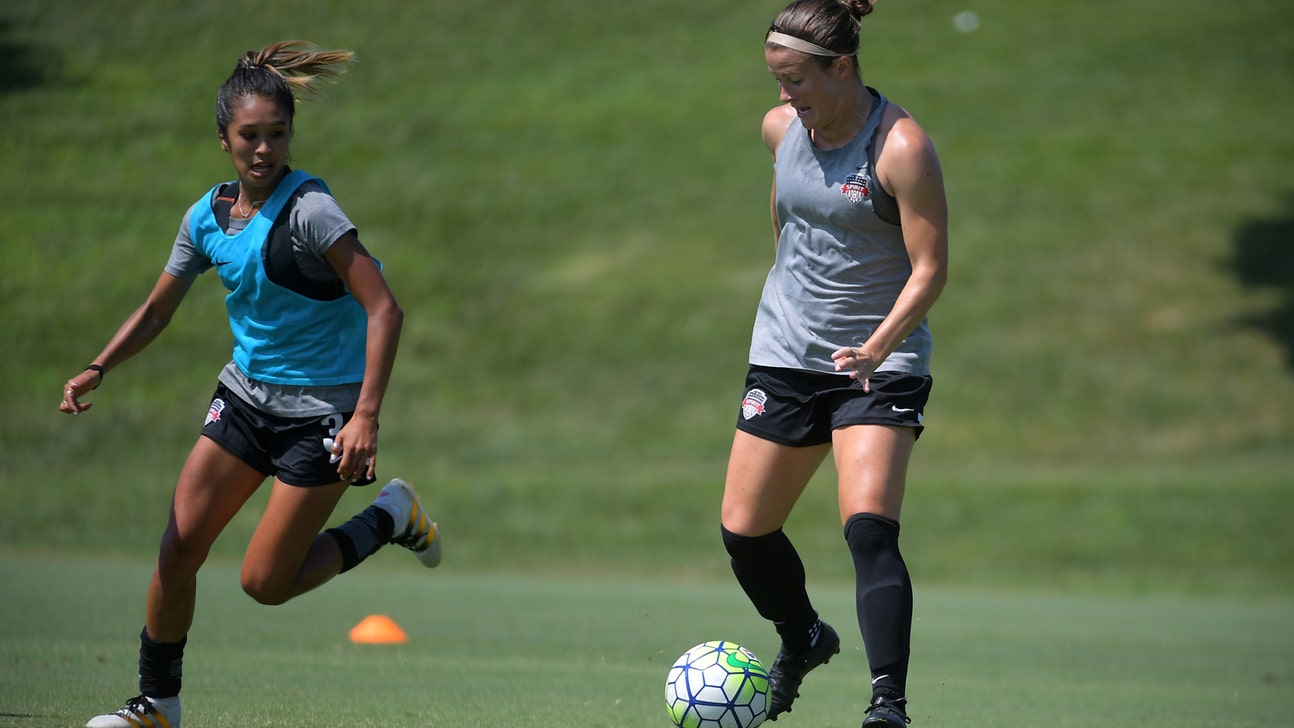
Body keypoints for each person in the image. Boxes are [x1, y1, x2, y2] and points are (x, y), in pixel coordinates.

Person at [59, 41, 442, 728]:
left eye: (277, 134)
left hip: (324, 414)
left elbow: (385, 307)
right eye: (249, 136)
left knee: (265, 584)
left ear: (290, 135)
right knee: (178, 550)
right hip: (243, 399)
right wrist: (99, 365)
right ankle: (156, 706)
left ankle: (388, 516)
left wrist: (367, 418)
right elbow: (155, 311)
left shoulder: (312, 211)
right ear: (224, 138)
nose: (264, 150)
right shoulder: (205, 216)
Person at [720, 1, 948, 726]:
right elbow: (787, 220)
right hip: (786, 357)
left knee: (869, 526)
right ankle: (804, 637)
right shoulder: (781, 130)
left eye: (797, 81)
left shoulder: (901, 147)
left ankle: (888, 705)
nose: (786, 97)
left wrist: (878, 346)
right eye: (777, 81)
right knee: (744, 531)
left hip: (877, 364)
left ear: (841, 67)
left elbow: (931, 268)